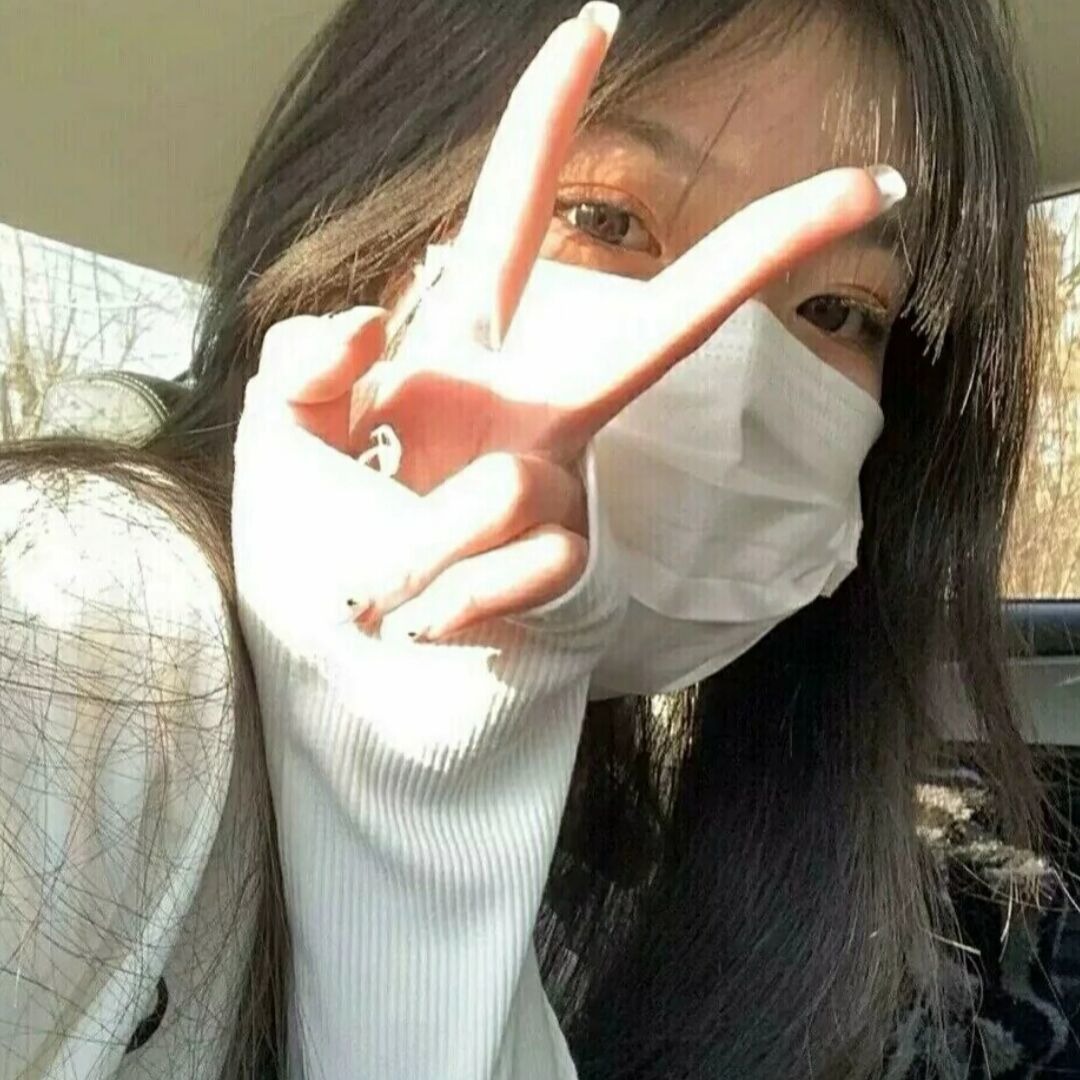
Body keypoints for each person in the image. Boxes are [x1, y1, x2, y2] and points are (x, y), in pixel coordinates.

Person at [0, 0, 1067, 1077]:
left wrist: (418, 845)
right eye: (605, 218)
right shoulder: (104, 619)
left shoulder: (631, 848)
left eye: (839, 312)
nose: (725, 362)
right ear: (368, 204)